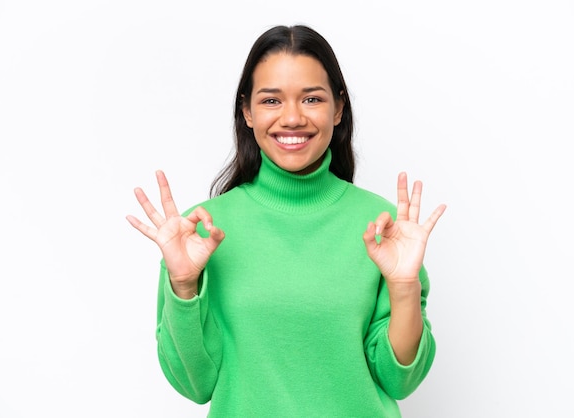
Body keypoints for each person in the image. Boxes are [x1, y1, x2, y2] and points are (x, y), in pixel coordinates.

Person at [126, 24, 446, 417]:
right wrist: (183, 283)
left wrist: (403, 286)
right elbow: (196, 385)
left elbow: (400, 381)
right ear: (246, 111)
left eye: (311, 98)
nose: (292, 118)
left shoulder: (385, 229)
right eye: (271, 101)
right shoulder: (200, 231)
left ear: (338, 108)